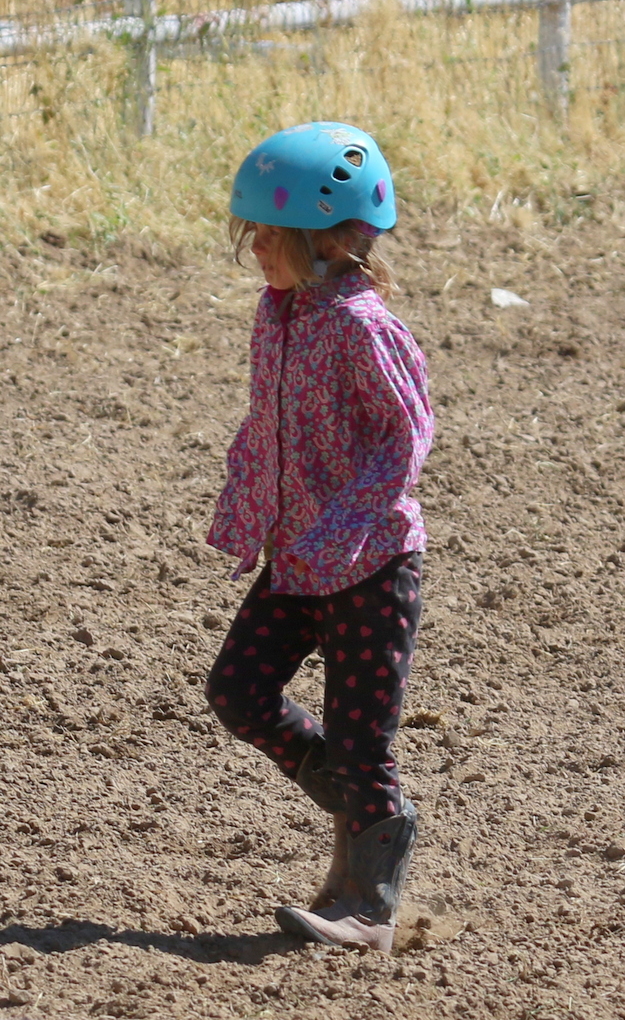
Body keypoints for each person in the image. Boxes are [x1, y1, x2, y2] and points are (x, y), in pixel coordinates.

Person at [205, 121, 435, 951]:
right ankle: (357, 804)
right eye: (253, 234)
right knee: (237, 690)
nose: (257, 250)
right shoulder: (278, 316)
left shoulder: (360, 324)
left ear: (332, 237)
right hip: (296, 559)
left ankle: (366, 907)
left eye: (271, 235)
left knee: (363, 736)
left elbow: (406, 434)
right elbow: (264, 424)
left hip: (371, 565)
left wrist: (344, 524)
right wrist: (247, 512)